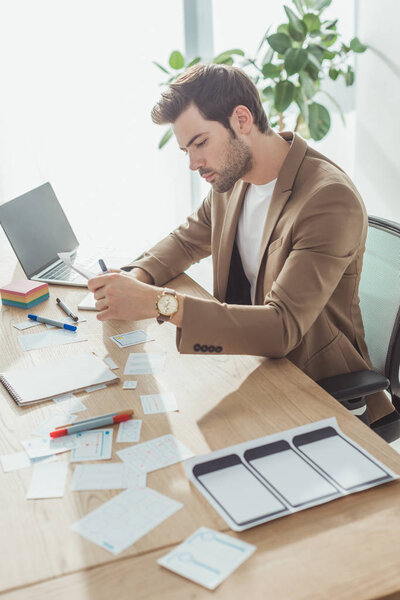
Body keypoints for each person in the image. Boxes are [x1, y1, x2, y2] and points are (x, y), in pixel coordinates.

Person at [88, 63, 398, 430]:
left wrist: (159, 302)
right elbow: (186, 240)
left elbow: (282, 327)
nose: (193, 163)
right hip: (249, 367)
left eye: (200, 143)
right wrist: (134, 280)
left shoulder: (327, 198)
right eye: (186, 150)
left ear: (241, 119)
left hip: (316, 390)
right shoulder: (232, 181)